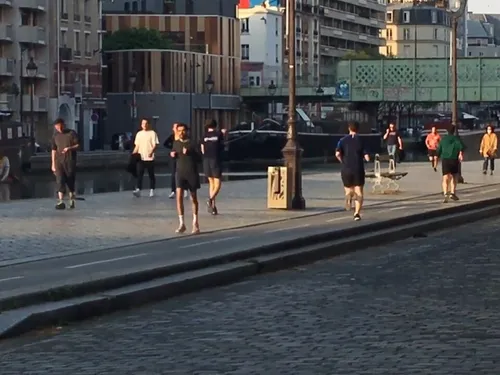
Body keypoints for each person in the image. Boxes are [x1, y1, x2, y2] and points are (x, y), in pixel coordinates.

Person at [335, 121, 370, 221]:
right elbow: (367, 157)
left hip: (346, 168)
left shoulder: (342, 140)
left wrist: (342, 161)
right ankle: (357, 214)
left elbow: (337, 154)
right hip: (358, 168)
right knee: (359, 191)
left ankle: (349, 195)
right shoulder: (361, 140)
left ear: (349, 129)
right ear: (358, 129)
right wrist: (366, 159)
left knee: (348, 188)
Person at [170, 123, 201, 234]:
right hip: (180, 173)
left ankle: (195, 222)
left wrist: (190, 152)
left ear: (187, 131)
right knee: (179, 197)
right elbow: (175, 157)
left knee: (193, 198)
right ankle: (181, 223)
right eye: (179, 131)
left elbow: (199, 158)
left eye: (183, 130)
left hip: (191, 172)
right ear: (177, 131)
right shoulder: (176, 143)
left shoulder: (192, 143)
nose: (181, 133)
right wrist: (173, 155)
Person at [51, 118, 79, 210]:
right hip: (59, 162)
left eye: (60, 126)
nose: (59, 129)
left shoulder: (71, 133)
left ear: (63, 124)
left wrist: (69, 148)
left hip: (70, 161)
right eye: (57, 127)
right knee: (60, 181)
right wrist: (53, 163)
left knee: (70, 182)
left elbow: (78, 145)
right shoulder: (55, 136)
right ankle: (61, 202)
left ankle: (72, 201)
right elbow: (53, 150)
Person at [201, 119, 226, 215]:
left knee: (211, 183)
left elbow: (202, 149)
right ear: (215, 125)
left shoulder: (204, 136)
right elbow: (222, 146)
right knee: (218, 183)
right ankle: (210, 199)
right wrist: (223, 134)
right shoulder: (218, 134)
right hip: (215, 160)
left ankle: (213, 207)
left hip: (206, 160)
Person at [436, 124, 464, 203]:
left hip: (445, 160)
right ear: (454, 130)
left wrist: (436, 158)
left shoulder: (443, 139)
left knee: (445, 177)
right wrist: (460, 153)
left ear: (447, 131)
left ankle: (445, 193)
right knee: (454, 177)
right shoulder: (456, 139)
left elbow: (438, 150)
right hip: (454, 159)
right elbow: (461, 147)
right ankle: (452, 193)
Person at [132, 118, 159, 197]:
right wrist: (133, 154)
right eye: (143, 123)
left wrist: (151, 152)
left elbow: (155, 144)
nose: (144, 125)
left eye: (146, 123)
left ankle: (152, 190)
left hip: (150, 157)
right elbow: (137, 145)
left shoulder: (152, 133)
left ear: (148, 124)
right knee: (140, 173)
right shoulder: (139, 134)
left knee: (151, 174)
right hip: (141, 157)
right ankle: (138, 189)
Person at [164, 123, 187, 199]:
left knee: (184, 172)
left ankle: (185, 189)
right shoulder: (172, 137)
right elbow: (165, 143)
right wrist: (172, 149)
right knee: (174, 174)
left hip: (183, 157)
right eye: (175, 127)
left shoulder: (184, 137)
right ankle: (173, 191)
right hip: (174, 157)